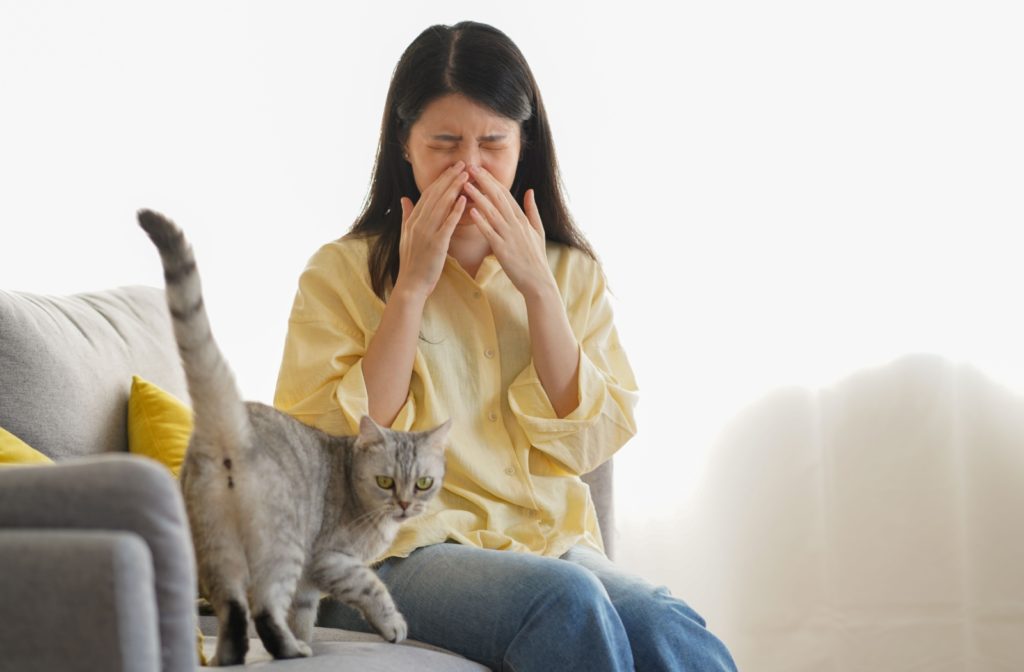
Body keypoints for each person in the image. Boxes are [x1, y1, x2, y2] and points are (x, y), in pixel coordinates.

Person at [274, 20, 737, 672]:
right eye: (444, 143)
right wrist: (409, 291)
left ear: (524, 146)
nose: (469, 167)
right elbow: (326, 456)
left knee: (663, 623)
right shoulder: (339, 273)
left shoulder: (571, 273)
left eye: (493, 143)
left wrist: (539, 290)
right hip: (388, 551)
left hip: (541, 538)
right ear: (405, 146)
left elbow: (593, 440)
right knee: (564, 602)